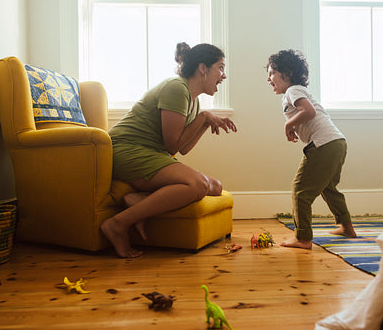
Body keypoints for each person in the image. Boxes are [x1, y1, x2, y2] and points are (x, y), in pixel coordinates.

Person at [102, 42, 237, 258]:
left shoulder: (194, 103)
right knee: (198, 184)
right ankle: (118, 224)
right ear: (203, 68)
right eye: (220, 67)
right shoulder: (177, 88)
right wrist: (204, 119)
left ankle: (139, 200)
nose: (224, 75)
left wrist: (203, 122)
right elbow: (171, 145)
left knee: (215, 186)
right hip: (125, 149)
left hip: (150, 154)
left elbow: (182, 149)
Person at [265, 49, 356, 249]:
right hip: (337, 142)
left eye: (272, 73)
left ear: (287, 75)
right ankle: (346, 226)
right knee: (329, 187)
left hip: (324, 144)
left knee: (300, 191)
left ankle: (303, 237)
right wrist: (295, 128)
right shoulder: (296, 91)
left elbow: (309, 111)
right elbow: (308, 114)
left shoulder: (292, 90)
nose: (268, 78)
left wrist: (288, 126)